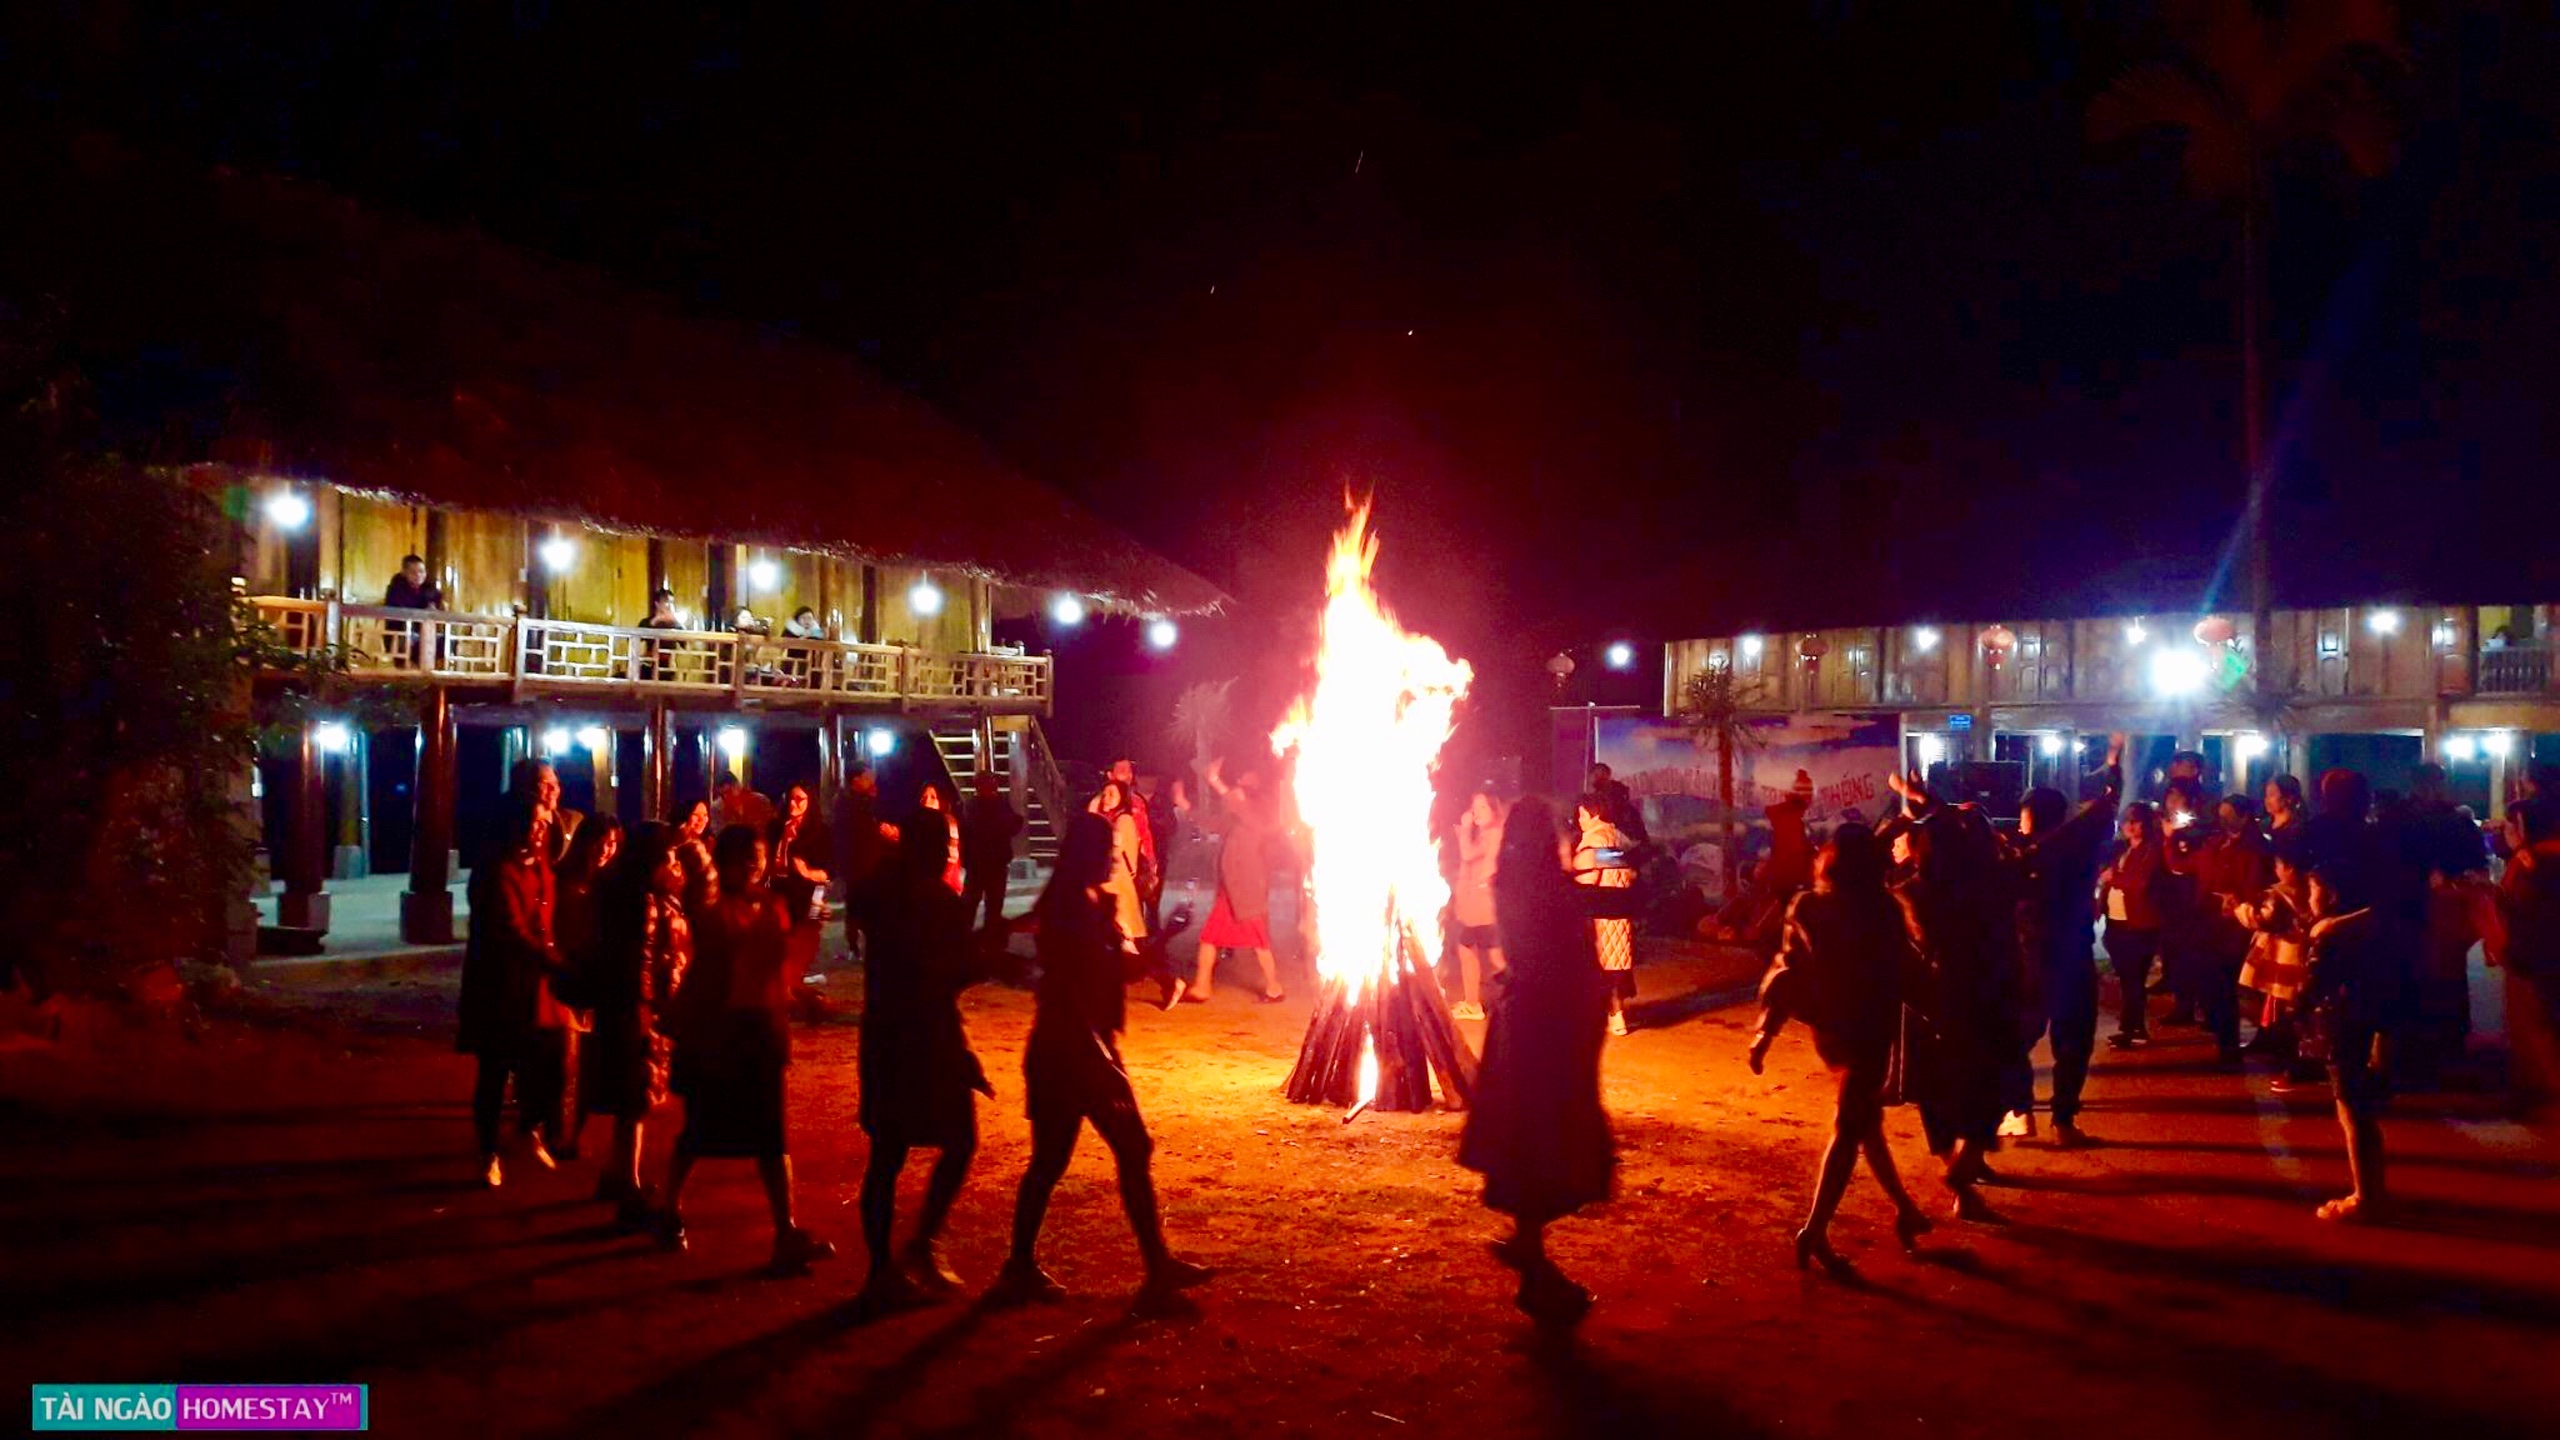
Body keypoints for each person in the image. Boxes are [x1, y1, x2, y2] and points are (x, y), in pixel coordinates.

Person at [993, 813, 1212, 1306]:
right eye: (1107, 850)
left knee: (1068, 1158)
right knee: (1101, 1152)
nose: (1114, 858)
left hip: (1081, 1048)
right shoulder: (1069, 908)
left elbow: (1121, 971)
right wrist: (1100, 1061)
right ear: (1085, 854)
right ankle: (1151, 1272)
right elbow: (1069, 989)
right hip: (1070, 1050)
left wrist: (1165, 937)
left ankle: (1027, 1267)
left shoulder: (1092, 902)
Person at [1749, 825, 1933, 1275]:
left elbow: (1788, 970)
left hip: (1831, 1032)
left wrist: (1765, 1034)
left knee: (1864, 1120)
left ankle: (1905, 1208)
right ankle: (1813, 1231)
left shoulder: (1808, 906)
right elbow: (1908, 974)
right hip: (1869, 1031)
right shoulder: (1883, 910)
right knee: (1850, 1127)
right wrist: (1944, 1012)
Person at [1459, 796, 1613, 1326]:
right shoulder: (1555, 889)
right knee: (1550, 1140)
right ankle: (1531, 1259)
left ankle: (1531, 1256)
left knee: (1526, 1138)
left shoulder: (1509, 882)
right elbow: (1606, 906)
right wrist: (1618, 859)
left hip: (1523, 1022)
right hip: (1551, 1024)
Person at [657, 825, 834, 1274]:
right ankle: (668, 1209)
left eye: (759, 856)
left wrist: (803, 994)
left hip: (763, 1032)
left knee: (772, 1137)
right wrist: (686, 843)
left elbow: (780, 967)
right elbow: (714, 942)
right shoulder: (712, 906)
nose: (754, 865)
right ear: (728, 861)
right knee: (700, 1128)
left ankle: (785, 1231)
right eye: (746, 857)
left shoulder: (773, 905)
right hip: (720, 1031)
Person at [855, 820, 994, 1315]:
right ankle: (921, 1244)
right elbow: (954, 973)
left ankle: (884, 1268)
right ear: (929, 849)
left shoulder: (881, 894)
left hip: (885, 1036)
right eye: (945, 845)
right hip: (927, 1037)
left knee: (886, 1156)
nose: (949, 854)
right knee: (958, 1141)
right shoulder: (936, 901)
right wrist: (991, 954)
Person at [1889, 800, 2016, 1221]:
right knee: (1986, 1085)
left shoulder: (1909, 891)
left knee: (1937, 1094)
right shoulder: (1988, 886)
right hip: (1979, 997)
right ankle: (1963, 1170)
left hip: (1928, 1004)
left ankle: (1962, 1173)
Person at [2000, 734, 2123, 1146]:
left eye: (2023, 814)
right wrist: (2113, 763)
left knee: (2016, 1037)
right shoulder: (2081, 847)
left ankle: (2021, 1110)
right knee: (2072, 1043)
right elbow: (2108, 804)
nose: (2019, 821)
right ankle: (2062, 1122)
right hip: (2074, 956)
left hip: (2033, 958)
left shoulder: (2023, 857)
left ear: (2032, 816)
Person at [458, 797, 569, 1188]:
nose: (541, 829)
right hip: (500, 986)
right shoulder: (495, 869)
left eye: (544, 823)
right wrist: (555, 961)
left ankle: (529, 1130)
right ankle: (488, 1151)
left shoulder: (541, 865)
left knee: (545, 1063)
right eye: (534, 822)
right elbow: (509, 928)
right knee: (495, 1069)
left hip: (537, 986)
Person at [585, 823, 687, 1228]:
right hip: (637, 1008)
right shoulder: (643, 902)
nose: (675, 865)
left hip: (626, 1006)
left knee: (632, 1096)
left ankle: (616, 1173)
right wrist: (655, 1006)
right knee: (635, 1098)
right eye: (670, 857)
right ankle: (629, 1184)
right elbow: (646, 959)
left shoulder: (625, 893)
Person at [2302, 861, 2394, 1222]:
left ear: (2330, 893)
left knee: (2351, 1111)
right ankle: (2373, 1190)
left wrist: (2296, 1006)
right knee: (2360, 1110)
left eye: (2313, 889)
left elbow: (2313, 985)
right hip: (2365, 1021)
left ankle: (2365, 1196)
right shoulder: (2368, 928)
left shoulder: (2330, 934)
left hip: (2342, 1026)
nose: (2309, 896)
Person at [549, 815, 623, 1160]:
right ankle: (556, 1133)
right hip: (564, 976)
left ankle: (571, 1133)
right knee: (565, 1061)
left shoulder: (609, 882)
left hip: (595, 978)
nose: (607, 850)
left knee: (588, 1064)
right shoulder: (563, 878)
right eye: (601, 842)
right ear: (585, 841)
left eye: (613, 844)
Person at [1188, 760, 1285, 1004]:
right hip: (1230, 889)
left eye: (1244, 781)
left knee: (1259, 941)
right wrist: (1186, 806)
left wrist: (1216, 781)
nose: (1237, 790)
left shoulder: (1259, 815)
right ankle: (1201, 987)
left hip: (1247, 889)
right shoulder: (1238, 817)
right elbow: (1214, 822)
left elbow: (1241, 807)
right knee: (1210, 936)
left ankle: (1274, 987)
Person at [2488, 797, 2560, 1117]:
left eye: (2511, 826)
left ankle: (2542, 1091)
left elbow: (2521, 905)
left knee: (2536, 1026)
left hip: (2533, 953)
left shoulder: (2531, 860)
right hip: (2544, 951)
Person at [2189, 794, 2274, 1066]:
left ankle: (2230, 1048)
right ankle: (2224, 1040)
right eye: (2221, 814)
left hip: (2235, 926)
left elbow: (2255, 884)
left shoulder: (2255, 848)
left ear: (2244, 816)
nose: (2222, 819)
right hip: (2211, 923)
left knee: (2228, 987)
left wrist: (2237, 900)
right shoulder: (2216, 843)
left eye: (2228, 814)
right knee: (2214, 985)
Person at [2237, 836, 2321, 1089]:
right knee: (2302, 1016)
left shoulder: (2277, 895)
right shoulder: (2314, 889)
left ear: (2289, 867)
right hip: (2304, 961)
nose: (2276, 870)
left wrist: (2240, 909)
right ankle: (2305, 1065)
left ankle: (2292, 1069)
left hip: (2281, 964)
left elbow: (2263, 920)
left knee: (2283, 1018)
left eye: (2278, 865)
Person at [2100, 802, 2169, 1050]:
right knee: (2129, 978)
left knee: (2133, 978)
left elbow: (2141, 882)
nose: (2130, 825)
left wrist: (2114, 878)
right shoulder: (2124, 849)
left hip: (2139, 924)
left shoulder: (2152, 851)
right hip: (2118, 921)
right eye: (2127, 820)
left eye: (2135, 820)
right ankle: (2130, 1027)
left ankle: (2135, 1028)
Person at [1574, 795, 1637, 1036]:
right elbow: (1630, 871)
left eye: (1582, 814)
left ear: (1595, 815)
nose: (1579, 820)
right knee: (1616, 967)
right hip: (1620, 911)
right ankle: (1617, 1016)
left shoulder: (1596, 840)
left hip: (1599, 914)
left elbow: (1590, 877)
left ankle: (1605, 1016)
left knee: (1601, 968)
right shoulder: (1618, 837)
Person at [1450, 792, 1506, 1020]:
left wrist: (1464, 831)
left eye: (1482, 807)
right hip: (1479, 909)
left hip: (1484, 910)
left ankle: (1520, 1004)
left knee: (1497, 958)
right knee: (1469, 950)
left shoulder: (1493, 833)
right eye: (1475, 807)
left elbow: (1468, 855)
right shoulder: (1489, 833)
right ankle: (1473, 1003)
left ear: (1494, 810)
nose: (1476, 812)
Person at [768, 783, 831, 981]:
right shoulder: (776, 827)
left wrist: (808, 872)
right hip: (780, 889)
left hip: (809, 891)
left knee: (806, 934)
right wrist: (784, 842)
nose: (793, 804)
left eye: (800, 799)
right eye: (790, 798)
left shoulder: (819, 831)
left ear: (810, 801)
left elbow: (828, 871)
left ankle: (799, 974)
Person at [961, 772, 1024, 936]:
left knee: (989, 903)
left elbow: (1013, 824)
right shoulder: (975, 806)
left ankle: (984, 936)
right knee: (976, 902)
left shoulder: (992, 804)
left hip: (990, 861)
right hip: (982, 862)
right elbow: (1010, 825)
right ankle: (974, 936)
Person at [1094, 779, 1151, 945]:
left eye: (1112, 794)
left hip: (1117, 885)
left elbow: (1114, 853)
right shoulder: (1113, 820)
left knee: (1121, 935)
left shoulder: (1123, 820)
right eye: (1104, 794)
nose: (1106, 798)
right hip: (1116, 885)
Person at [1586, 763, 1648, 846]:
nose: (1598, 778)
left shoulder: (1609, 802)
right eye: (1596, 775)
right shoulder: (1621, 802)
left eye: (1599, 775)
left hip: (1617, 844)